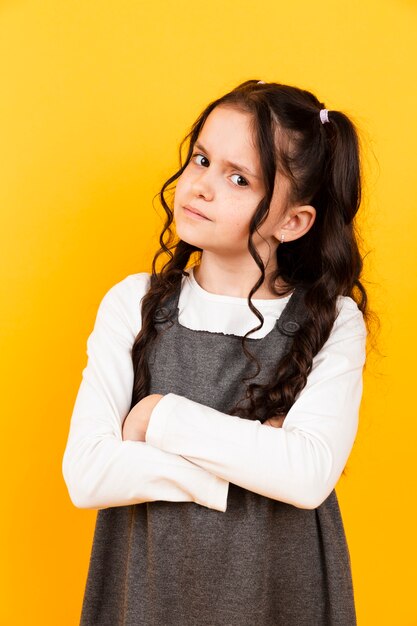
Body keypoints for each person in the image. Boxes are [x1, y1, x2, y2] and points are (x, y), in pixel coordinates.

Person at [62, 79, 369, 625]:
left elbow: (306, 476)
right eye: (201, 159)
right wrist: (253, 462)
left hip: (280, 593)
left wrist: (158, 416)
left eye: (238, 178)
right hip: (148, 593)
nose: (200, 186)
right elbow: (88, 476)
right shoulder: (132, 303)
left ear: (292, 221)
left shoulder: (331, 320)